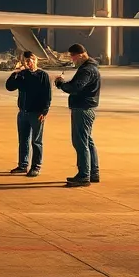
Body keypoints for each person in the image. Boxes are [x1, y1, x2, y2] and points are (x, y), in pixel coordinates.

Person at [54, 43, 100, 187]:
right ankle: (93, 172)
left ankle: (83, 175)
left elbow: (76, 87)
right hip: (87, 108)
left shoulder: (86, 70)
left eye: (73, 56)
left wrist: (61, 84)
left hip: (82, 109)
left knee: (80, 142)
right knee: (88, 141)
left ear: (80, 55)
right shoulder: (91, 68)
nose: (72, 59)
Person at [5, 50, 52, 177]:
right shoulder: (22, 75)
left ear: (36, 59)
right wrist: (15, 74)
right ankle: (22, 165)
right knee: (23, 140)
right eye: (26, 61)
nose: (29, 62)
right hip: (23, 113)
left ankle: (36, 166)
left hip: (36, 113)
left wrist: (44, 111)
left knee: (36, 141)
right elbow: (9, 87)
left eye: (31, 59)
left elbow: (47, 95)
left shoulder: (43, 75)